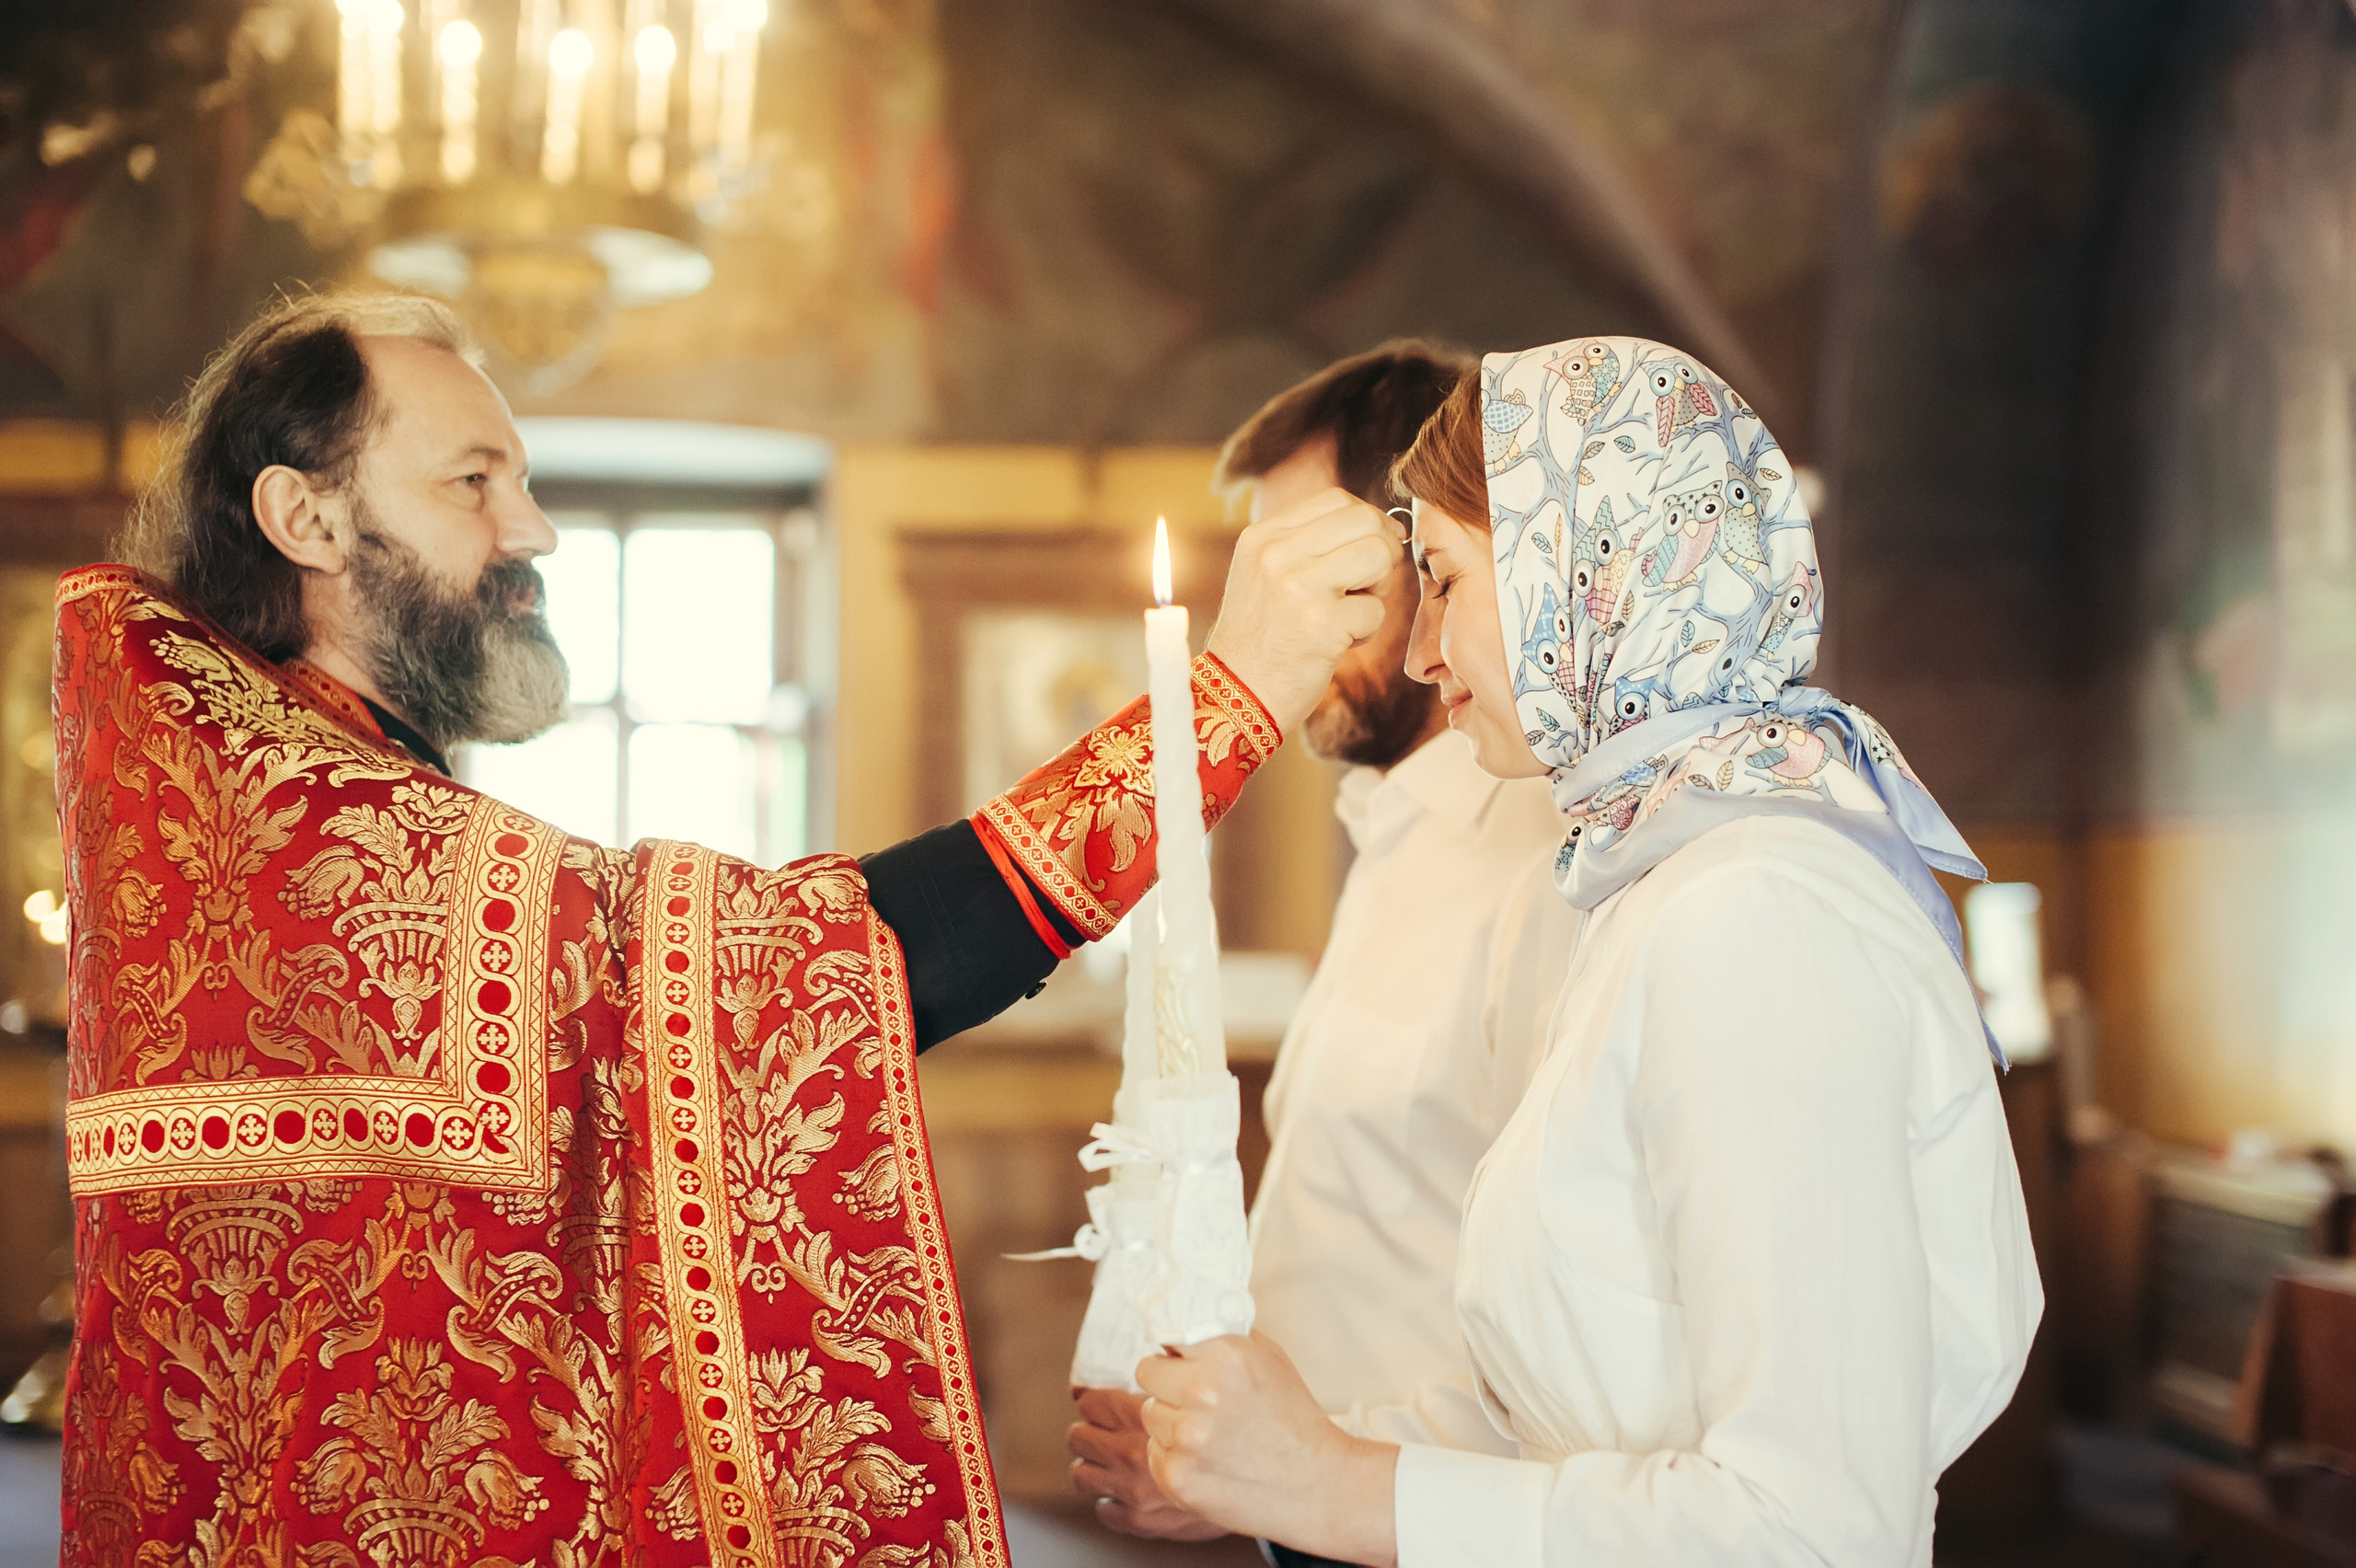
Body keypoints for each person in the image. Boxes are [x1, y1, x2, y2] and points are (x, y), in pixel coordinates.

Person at [55, 291, 1399, 1567]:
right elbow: (830, 962)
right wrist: (1227, 700)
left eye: (520, 479)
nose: (533, 532)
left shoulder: (275, 801)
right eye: (474, 482)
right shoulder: (297, 845)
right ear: (305, 516)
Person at [1124, 337, 2043, 1567]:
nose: (1418, 650)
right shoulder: (1657, 887)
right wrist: (1280, 1460)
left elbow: (1822, 1531)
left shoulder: (1759, 914)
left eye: (1443, 581)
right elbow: (1577, 1398)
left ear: (1582, 576)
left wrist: (1339, 1485)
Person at [1065, 345, 1581, 1560]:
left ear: (1431, 554)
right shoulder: (1401, 837)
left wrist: (1283, 1474)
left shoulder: (1544, 865)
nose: (1279, 621)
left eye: (1310, 563)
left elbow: (1570, 1335)